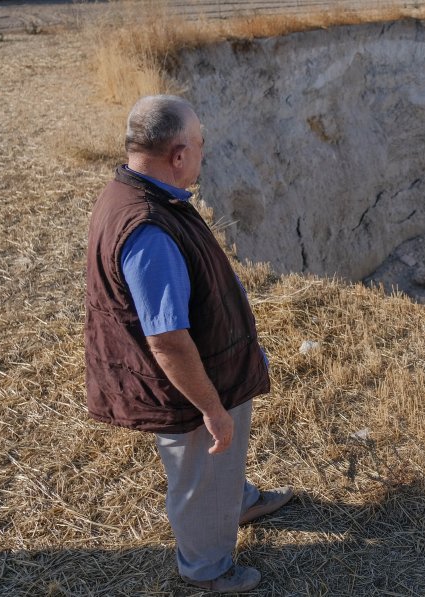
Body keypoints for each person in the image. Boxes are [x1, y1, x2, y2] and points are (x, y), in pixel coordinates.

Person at [84, 94, 292, 593]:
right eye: (199, 144)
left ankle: (236, 501)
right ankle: (206, 569)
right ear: (178, 155)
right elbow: (168, 340)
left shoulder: (139, 192)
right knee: (199, 468)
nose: (203, 153)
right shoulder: (148, 229)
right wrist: (211, 408)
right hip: (188, 386)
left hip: (212, 365)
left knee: (217, 462)